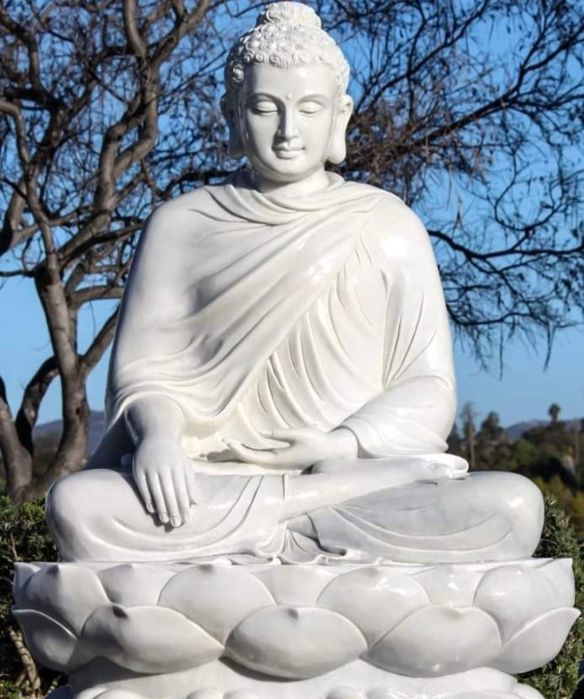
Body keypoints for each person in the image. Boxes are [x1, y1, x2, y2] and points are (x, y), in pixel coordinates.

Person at [47, 2, 543, 563]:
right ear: (233, 114)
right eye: (265, 108)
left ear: (341, 116)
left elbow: (427, 388)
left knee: (513, 506)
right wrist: (158, 439)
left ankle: (285, 518)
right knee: (77, 505)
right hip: (211, 481)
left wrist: (342, 444)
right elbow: (145, 376)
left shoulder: (387, 224)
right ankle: (297, 516)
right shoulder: (181, 225)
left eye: (309, 109)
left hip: (349, 477)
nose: (288, 132)